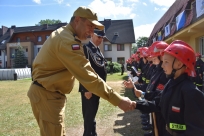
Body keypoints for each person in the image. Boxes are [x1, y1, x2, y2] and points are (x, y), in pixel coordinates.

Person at [27, 6, 135, 136]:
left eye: (93, 28)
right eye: (90, 26)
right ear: (77, 20)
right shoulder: (67, 41)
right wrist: (118, 100)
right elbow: (87, 74)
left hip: (49, 95)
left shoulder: (66, 36)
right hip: (47, 95)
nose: (91, 32)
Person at [124, 40, 204, 136]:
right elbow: (158, 103)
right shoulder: (171, 84)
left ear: (179, 64)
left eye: (166, 62)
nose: (162, 65)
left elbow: (196, 131)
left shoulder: (191, 92)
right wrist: (136, 104)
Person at [79, 29, 107, 136]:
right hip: (89, 89)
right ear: (91, 34)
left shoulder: (97, 50)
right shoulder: (86, 48)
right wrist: (86, 89)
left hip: (97, 88)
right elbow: (82, 70)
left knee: (92, 114)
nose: (101, 39)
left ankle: (93, 133)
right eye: (98, 37)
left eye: (102, 37)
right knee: (89, 115)